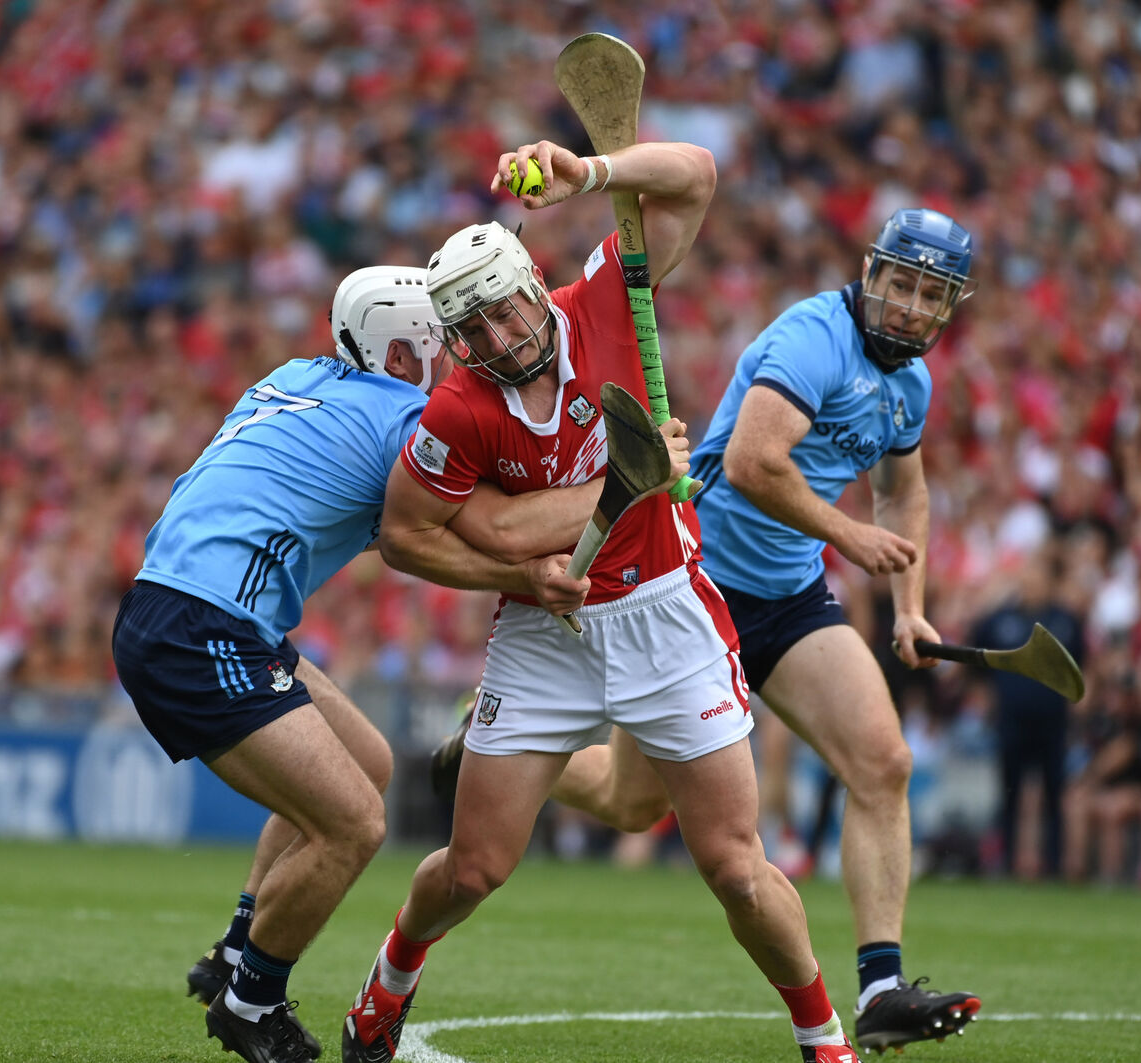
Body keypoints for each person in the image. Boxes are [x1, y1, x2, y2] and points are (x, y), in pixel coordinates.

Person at [341, 140, 861, 1063]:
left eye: (505, 312)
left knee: (737, 869)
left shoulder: (610, 301)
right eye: (475, 331)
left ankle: (824, 1039)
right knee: (473, 868)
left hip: (666, 611)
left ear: (533, 286)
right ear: (452, 340)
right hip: (545, 630)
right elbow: (416, 535)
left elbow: (696, 175)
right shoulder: (458, 409)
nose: (500, 339)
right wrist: (524, 569)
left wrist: (591, 173)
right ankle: (387, 984)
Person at [112, 265, 593, 1063]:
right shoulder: (407, 417)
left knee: (366, 765)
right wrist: (624, 483)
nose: (455, 361)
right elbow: (500, 528)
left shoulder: (293, 374)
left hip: (189, 608)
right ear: (401, 353)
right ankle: (251, 1001)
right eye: (441, 346)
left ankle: (237, 947)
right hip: (204, 628)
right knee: (354, 824)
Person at [686, 207, 982, 1054]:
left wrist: (911, 606)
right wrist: (849, 537)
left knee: (883, 763)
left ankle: (882, 988)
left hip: (786, 597)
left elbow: (904, 493)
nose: (913, 305)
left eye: (934, 293)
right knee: (629, 803)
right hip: (694, 585)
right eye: (903, 282)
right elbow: (751, 460)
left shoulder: (910, 383)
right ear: (871, 271)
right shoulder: (814, 338)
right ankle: (488, 741)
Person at [969, 548, 1086, 878]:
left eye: (1037, 578)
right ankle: (1005, 862)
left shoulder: (1065, 620)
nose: (1031, 584)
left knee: (1054, 794)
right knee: (1009, 792)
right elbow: (977, 656)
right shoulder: (1001, 618)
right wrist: (984, 696)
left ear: (1050, 583)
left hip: (1053, 722)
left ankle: (1054, 864)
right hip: (1011, 720)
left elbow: (1081, 667)